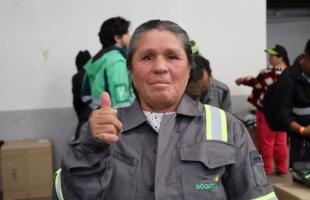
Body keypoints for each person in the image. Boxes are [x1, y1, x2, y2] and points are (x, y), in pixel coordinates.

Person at [55, 20, 277, 200]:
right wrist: (89, 149)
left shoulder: (227, 127)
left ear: (189, 68)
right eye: (147, 57)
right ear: (130, 69)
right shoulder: (102, 131)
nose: (160, 67)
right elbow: (67, 194)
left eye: (172, 57)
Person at [235, 44, 290, 176]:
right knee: (281, 142)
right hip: (283, 112)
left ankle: (265, 169)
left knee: (266, 141)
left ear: (280, 57)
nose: (270, 58)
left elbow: (255, 82)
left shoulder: (267, 73)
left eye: (272, 56)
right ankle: (282, 169)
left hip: (266, 111)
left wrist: (241, 80)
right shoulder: (290, 73)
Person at [81, 16, 135, 109]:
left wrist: (99, 110)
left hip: (101, 116)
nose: (130, 37)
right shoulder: (116, 60)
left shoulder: (95, 59)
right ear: (117, 38)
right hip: (118, 119)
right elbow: (122, 102)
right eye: (127, 33)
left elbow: (85, 95)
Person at [275, 39, 310, 165]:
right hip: (301, 143)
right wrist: (302, 130)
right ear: (305, 57)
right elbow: (282, 114)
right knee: (303, 178)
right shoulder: (288, 78)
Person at [71, 50, 92, 139]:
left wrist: (81, 115)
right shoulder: (98, 75)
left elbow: (76, 102)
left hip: (85, 117)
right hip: (102, 117)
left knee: (80, 148)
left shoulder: (77, 77)